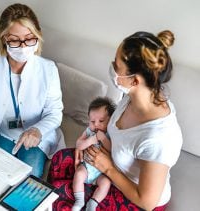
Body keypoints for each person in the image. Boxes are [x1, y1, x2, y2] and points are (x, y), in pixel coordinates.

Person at [48, 30, 182, 210]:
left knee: (57, 195)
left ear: (134, 80)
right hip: (109, 161)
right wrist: (88, 143)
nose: (112, 68)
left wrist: (108, 167)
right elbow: (112, 133)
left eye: (116, 66)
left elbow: (146, 201)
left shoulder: (159, 138)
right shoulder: (132, 97)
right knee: (58, 160)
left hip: (134, 196)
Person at [0, 3, 65, 178]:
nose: (23, 45)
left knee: (29, 178)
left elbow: (54, 112)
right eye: (15, 40)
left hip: (35, 136)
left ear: (37, 36)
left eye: (29, 38)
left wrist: (38, 130)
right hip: (2, 132)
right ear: (4, 38)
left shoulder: (48, 69)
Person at [72, 97, 116, 211]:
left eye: (101, 121)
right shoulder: (89, 131)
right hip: (87, 167)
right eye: (92, 121)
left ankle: (93, 203)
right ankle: (79, 200)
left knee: (106, 183)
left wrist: (103, 139)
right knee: (78, 174)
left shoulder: (110, 134)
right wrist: (89, 141)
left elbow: (112, 149)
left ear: (110, 120)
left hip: (101, 172)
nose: (96, 124)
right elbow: (78, 144)